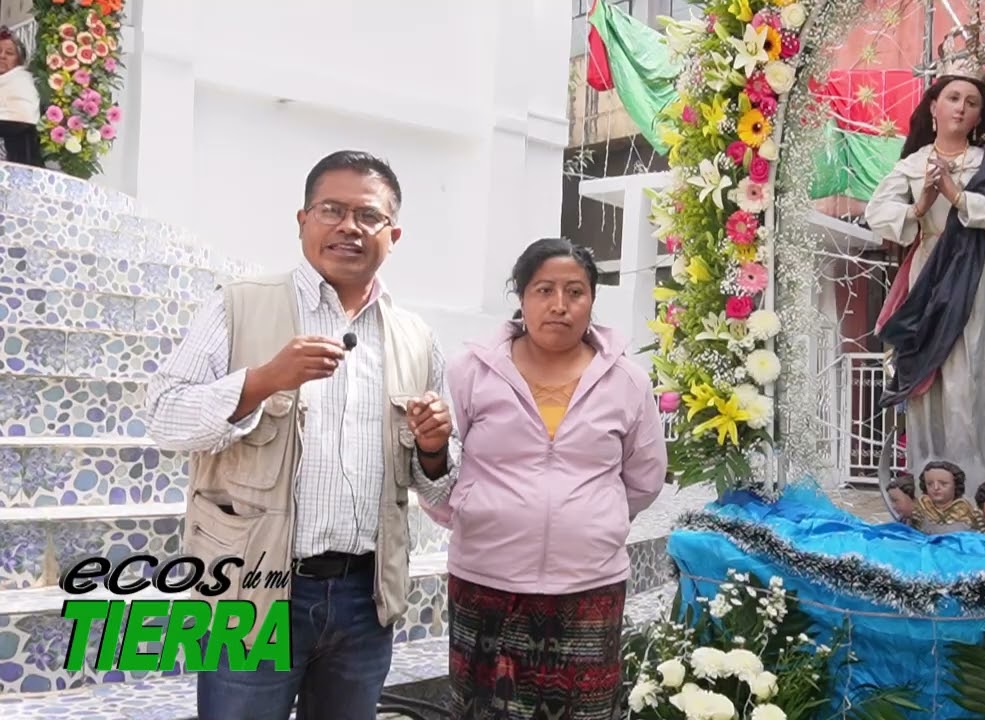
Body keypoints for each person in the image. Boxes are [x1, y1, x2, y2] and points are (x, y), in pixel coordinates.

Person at [145, 150, 458, 720]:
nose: (348, 227)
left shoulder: (416, 338)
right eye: (331, 210)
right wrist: (263, 381)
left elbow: (437, 493)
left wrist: (435, 451)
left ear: (394, 233)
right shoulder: (238, 305)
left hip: (366, 601)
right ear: (302, 220)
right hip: (250, 593)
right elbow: (165, 418)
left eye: (367, 216)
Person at [420, 237, 668, 720]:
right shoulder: (469, 372)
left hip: (588, 586)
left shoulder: (627, 381)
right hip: (486, 581)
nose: (560, 305)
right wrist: (477, 511)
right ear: (521, 297)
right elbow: (441, 465)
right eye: (544, 290)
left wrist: (594, 519)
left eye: (575, 292)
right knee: (483, 710)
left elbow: (644, 478)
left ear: (593, 300)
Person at [863, 59, 985, 492]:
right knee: (928, 385)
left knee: (971, 378)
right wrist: (919, 207)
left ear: (980, 116)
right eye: (952, 98)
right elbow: (878, 212)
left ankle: (979, 491)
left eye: (972, 102)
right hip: (929, 272)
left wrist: (957, 196)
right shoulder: (912, 165)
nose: (961, 108)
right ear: (933, 106)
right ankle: (931, 490)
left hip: (974, 274)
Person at [0, 26, 42, 167]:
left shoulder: (21, 80)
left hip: (18, 162)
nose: (2, 56)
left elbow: (22, 119)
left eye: (9, 53)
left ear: (19, 60)